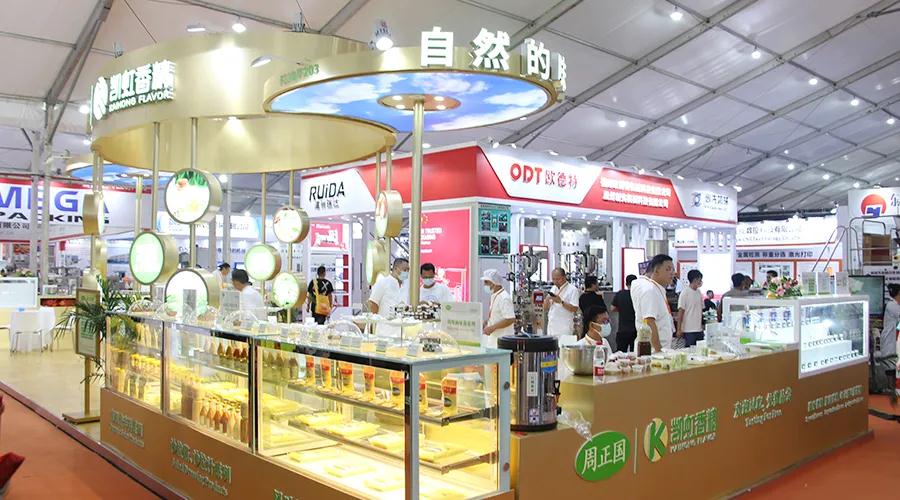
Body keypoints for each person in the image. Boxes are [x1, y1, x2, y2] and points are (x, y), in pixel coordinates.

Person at [630, 254, 676, 352]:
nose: (672, 273)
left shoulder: (655, 288)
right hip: (652, 351)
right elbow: (649, 322)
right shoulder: (650, 290)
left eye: (673, 269)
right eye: (668, 269)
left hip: (659, 348)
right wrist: (658, 351)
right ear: (656, 270)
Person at [481, 269, 516, 348]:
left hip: (502, 341)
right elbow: (497, 315)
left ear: (494, 283)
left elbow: (510, 319)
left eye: (486, 282)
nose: (484, 285)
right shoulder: (495, 295)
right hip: (494, 340)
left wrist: (492, 328)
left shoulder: (504, 298)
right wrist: (486, 322)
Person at [544, 267, 580, 337]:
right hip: (552, 327)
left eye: (558, 279)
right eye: (553, 279)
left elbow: (574, 309)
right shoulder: (553, 288)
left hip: (564, 328)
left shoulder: (572, 290)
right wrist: (547, 299)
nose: (555, 281)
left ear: (564, 277)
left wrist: (561, 302)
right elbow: (545, 308)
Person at [676, 270, 705, 347]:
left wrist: (702, 324)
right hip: (688, 330)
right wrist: (679, 329)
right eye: (700, 280)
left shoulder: (699, 292)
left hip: (699, 329)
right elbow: (680, 312)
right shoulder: (685, 292)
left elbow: (701, 310)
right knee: (690, 351)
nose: (701, 282)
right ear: (694, 280)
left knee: (700, 350)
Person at [612, 275, 637, 352]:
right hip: (636, 330)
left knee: (620, 353)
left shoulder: (620, 294)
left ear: (626, 284)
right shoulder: (638, 295)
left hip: (622, 330)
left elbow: (612, 308)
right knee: (636, 353)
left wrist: (622, 309)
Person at [881, 284, 900, 385]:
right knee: (890, 363)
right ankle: (890, 386)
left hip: (895, 337)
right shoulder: (891, 305)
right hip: (890, 338)